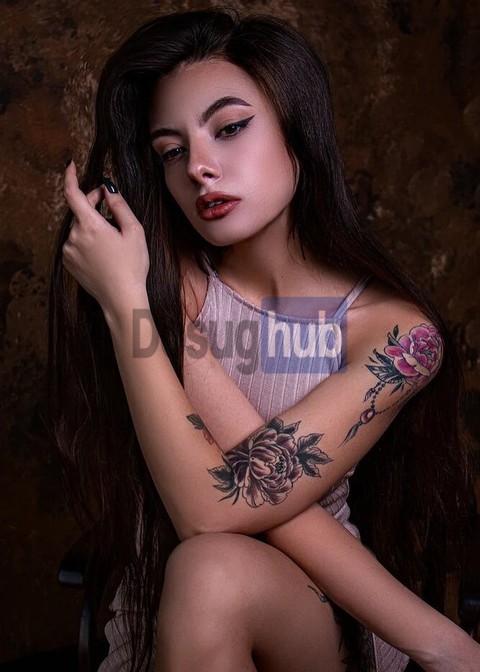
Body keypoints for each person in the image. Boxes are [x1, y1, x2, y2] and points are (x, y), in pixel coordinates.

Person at [48, 8, 480, 672]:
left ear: (296, 126)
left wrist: (439, 644)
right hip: (165, 620)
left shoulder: (396, 334)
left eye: (230, 128)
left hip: (324, 622)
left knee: (212, 572)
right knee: (207, 570)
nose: (199, 167)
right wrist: (128, 300)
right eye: (170, 151)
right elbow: (216, 506)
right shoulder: (161, 284)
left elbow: (225, 506)